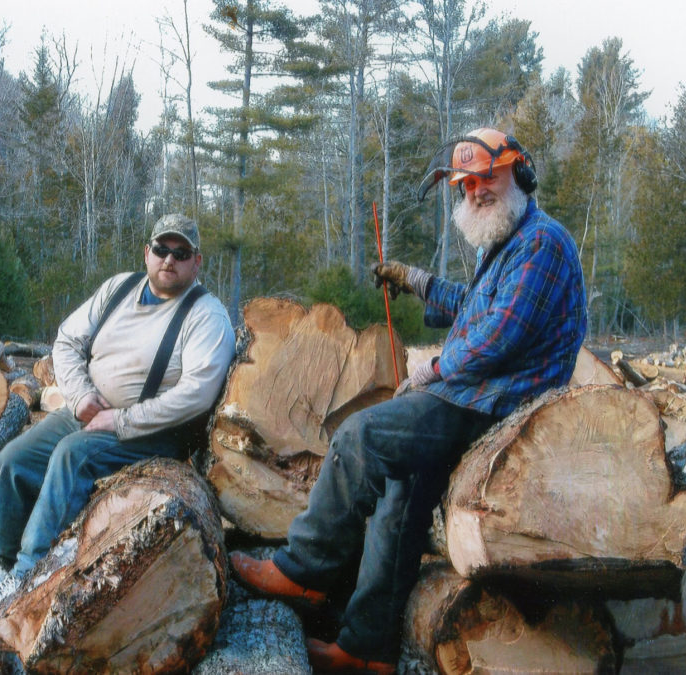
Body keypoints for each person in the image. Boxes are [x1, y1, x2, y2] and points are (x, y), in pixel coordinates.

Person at [229, 128, 587, 674]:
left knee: (360, 438)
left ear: (520, 173)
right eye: (466, 185)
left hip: (495, 407)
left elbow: (498, 336)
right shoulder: (509, 246)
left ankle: (303, 569)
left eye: (487, 178)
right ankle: (366, 649)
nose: (476, 192)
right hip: (477, 398)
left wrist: (430, 370)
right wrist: (417, 282)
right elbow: (472, 305)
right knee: (401, 496)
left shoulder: (542, 243)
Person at [0, 214, 236, 611]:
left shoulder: (206, 315)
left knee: (71, 457)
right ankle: (0, 559)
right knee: (12, 459)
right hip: (87, 412)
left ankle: (28, 579)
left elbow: (197, 393)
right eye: (161, 249)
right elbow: (68, 341)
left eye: (181, 253)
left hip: (151, 431)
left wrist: (122, 421)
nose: (168, 260)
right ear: (147, 253)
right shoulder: (118, 288)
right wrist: (80, 396)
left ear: (197, 262)